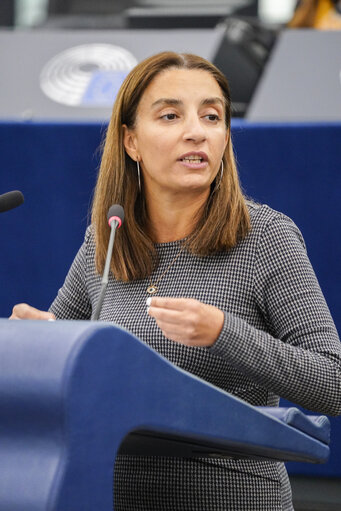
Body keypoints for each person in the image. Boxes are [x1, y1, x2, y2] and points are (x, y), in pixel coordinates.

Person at [10, 52, 341, 510]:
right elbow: (64, 355)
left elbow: (332, 383)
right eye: (171, 115)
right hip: (109, 495)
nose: (197, 131)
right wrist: (35, 339)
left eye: (212, 116)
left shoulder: (267, 238)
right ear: (131, 142)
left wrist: (224, 333)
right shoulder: (107, 238)